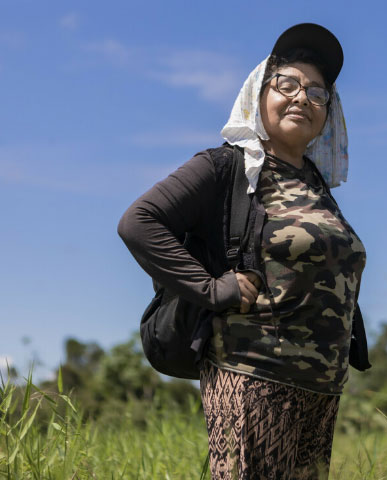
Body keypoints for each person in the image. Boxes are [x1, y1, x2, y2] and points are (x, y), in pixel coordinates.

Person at [118, 23, 367, 479]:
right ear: (258, 95)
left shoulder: (316, 186)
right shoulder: (227, 166)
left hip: (320, 389)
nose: (302, 98)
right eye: (287, 84)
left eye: (317, 92)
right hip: (252, 377)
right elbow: (139, 222)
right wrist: (212, 289)